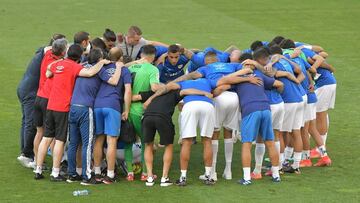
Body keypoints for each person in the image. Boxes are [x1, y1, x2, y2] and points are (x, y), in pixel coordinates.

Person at [34, 44, 110, 181]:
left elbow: (48, 71)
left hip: (50, 105)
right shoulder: (75, 67)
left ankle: (38, 170)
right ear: (79, 56)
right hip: (63, 107)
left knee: (46, 138)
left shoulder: (59, 64)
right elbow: (90, 72)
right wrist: (102, 62)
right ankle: (55, 173)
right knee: (60, 141)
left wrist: (56, 66)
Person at [213, 61, 284, 185]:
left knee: (247, 144)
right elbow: (279, 84)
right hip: (266, 109)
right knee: (270, 143)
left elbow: (221, 84)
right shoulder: (259, 75)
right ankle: (276, 175)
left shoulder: (236, 79)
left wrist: (212, 94)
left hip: (251, 110)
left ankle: (247, 178)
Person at [66, 48, 111, 185]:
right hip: (86, 109)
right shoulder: (100, 70)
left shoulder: (81, 66)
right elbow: (113, 81)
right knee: (87, 143)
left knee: (73, 143)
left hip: (73, 107)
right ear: (100, 59)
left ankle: (71, 174)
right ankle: (87, 176)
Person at [92, 47, 132, 184]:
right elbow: (127, 91)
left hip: (97, 105)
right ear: (121, 58)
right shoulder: (124, 70)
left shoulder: (101, 67)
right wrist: (126, 109)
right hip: (113, 106)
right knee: (111, 140)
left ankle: (96, 172)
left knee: (99, 138)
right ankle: (110, 174)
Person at [167, 78, 215, 186]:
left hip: (190, 105)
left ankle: (183, 177)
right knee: (207, 140)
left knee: (187, 141)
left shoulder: (183, 82)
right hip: (208, 105)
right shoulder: (208, 81)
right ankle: (208, 176)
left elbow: (169, 86)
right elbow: (222, 86)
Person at [125, 44, 161, 181]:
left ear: (141, 55)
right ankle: (145, 173)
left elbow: (122, 66)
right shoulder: (153, 69)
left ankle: (130, 173)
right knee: (147, 142)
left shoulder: (130, 67)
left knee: (129, 141)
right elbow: (154, 87)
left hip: (126, 109)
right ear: (153, 56)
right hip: (141, 111)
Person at [31, 37, 67, 169]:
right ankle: (56, 166)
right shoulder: (59, 65)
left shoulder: (47, 55)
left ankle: (37, 162)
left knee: (39, 132)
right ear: (62, 52)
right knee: (51, 135)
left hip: (38, 97)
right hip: (48, 100)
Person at [16, 35, 51, 167]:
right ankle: (26, 154)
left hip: (24, 88)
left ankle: (26, 151)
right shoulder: (45, 54)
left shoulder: (41, 52)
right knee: (31, 124)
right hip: (30, 92)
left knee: (26, 121)